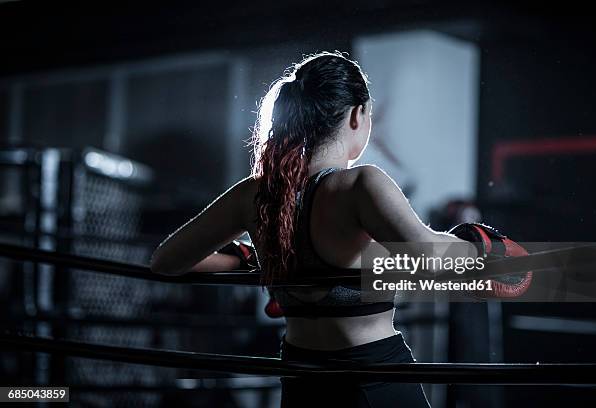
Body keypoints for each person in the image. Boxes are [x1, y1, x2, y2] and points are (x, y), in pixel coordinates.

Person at [150, 51, 503, 407]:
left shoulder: (254, 194)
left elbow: (166, 261)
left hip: (303, 382)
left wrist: (254, 255)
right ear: (356, 115)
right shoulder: (361, 185)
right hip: (372, 380)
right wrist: (479, 242)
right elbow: (432, 259)